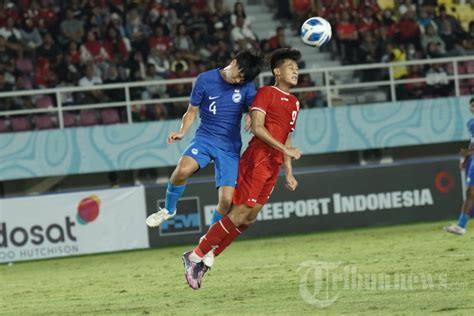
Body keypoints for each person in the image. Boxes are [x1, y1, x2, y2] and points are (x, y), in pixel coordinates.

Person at [182, 48, 303, 290]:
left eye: (297, 68)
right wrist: (284, 149)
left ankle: (205, 260)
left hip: (274, 165)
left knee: (249, 219)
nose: (296, 71)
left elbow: (287, 138)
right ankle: (194, 256)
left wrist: (288, 170)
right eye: (291, 67)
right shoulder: (266, 93)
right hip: (256, 159)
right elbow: (257, 128)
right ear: (277, 71)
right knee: (237, 214)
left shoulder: (294, 103)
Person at [145, 50, 264, 234]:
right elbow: (191, 111)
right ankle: (168, 210)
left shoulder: (247, 86)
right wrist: (182, 131)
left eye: (244, 79)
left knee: (226, 201)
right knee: (182, 170)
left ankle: (208, 241)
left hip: (230, 147)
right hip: (205, 138)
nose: (239, 81)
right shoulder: (205, 80)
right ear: (233, 62)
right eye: (239, 75)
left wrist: (251, 115)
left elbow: (254, 108)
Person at [445, 97, 474, 235]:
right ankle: (461, 226)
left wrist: (468, 152)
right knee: (470, 192)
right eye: (472, 105)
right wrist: (466, 159)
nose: (473, 108)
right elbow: (472, 143)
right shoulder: (470, 124)